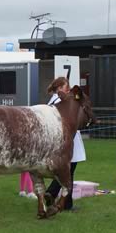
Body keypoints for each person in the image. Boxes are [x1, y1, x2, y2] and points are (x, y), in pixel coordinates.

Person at [44, 77, 85, 211]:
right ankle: (65, 202)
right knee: (69, 172)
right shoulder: (61, 101)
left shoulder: (53, 101)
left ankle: (53, 194)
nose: (69, 89)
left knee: (67, 171)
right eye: (67, 87)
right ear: (60, 87)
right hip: (67, 139)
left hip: (64, 138)